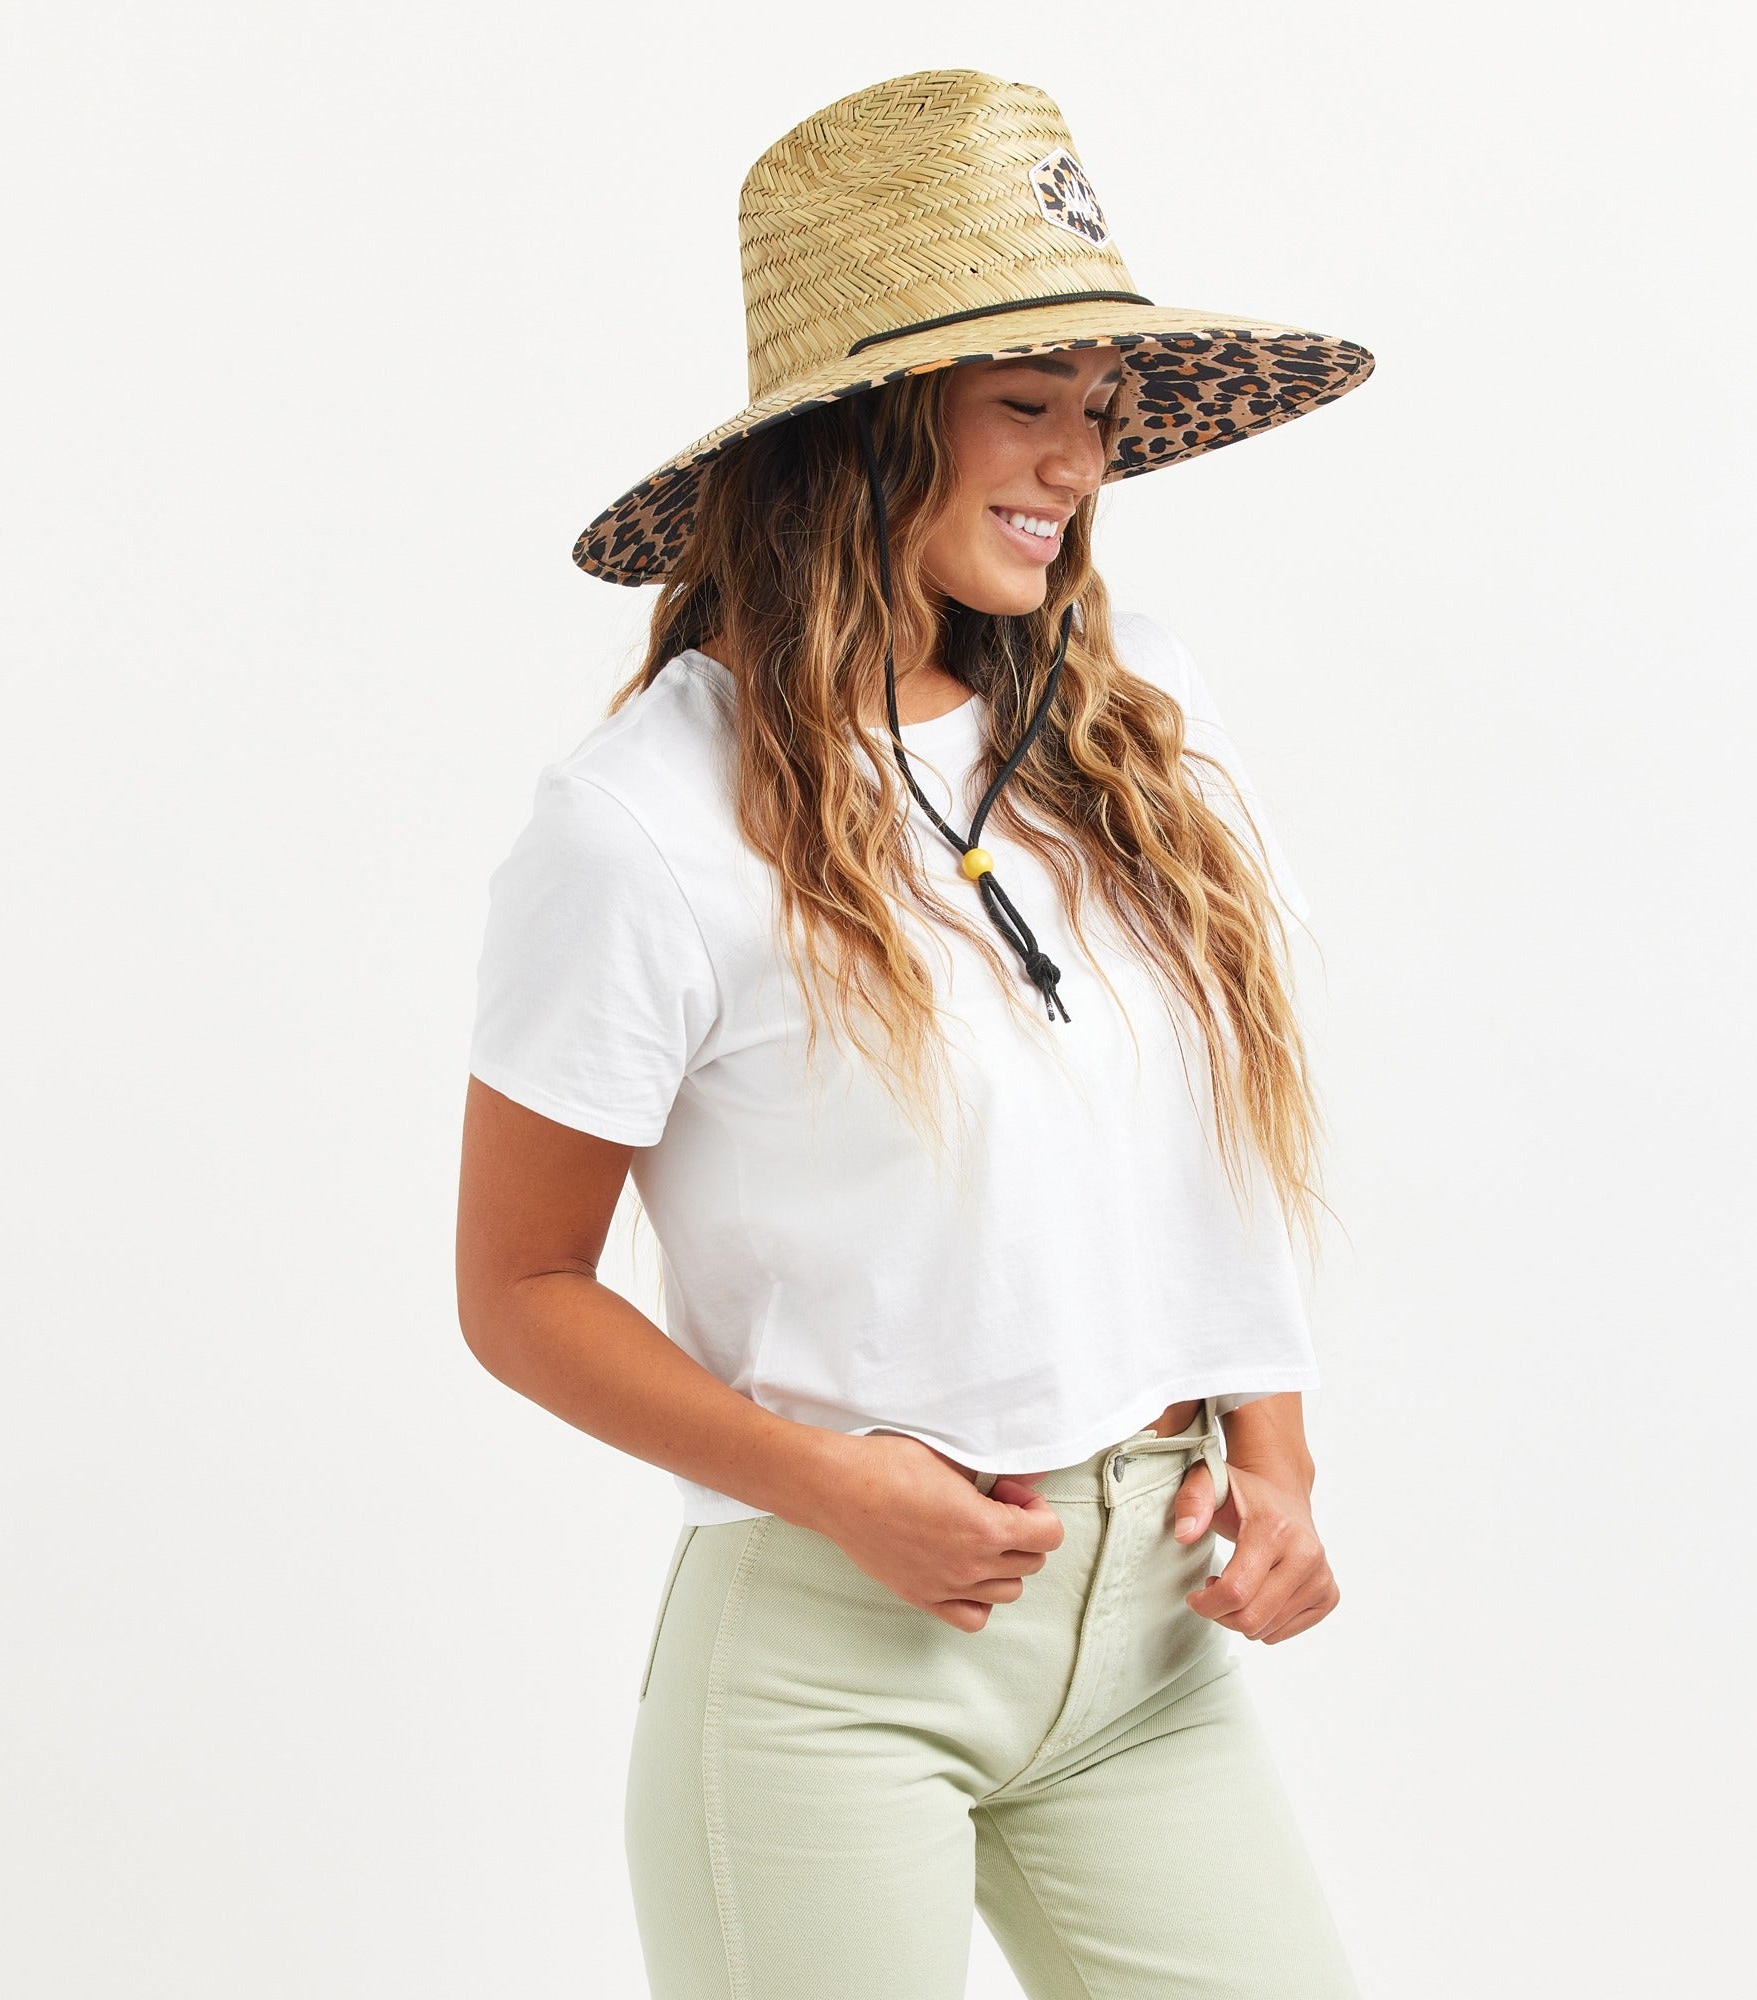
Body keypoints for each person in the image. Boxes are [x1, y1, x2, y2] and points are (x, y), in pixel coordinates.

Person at [456, 68, 1376, 2000]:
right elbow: (519, 1289)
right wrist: (828, 1484)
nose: (1079, 462)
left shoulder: (1135, 725)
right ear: (863, 428)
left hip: (1149, 1638)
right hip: (832, 1661)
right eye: (1027, 403)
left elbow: (1198, 1144)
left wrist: (1274, 1453)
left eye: (1100, 411)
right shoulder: (641, 824)